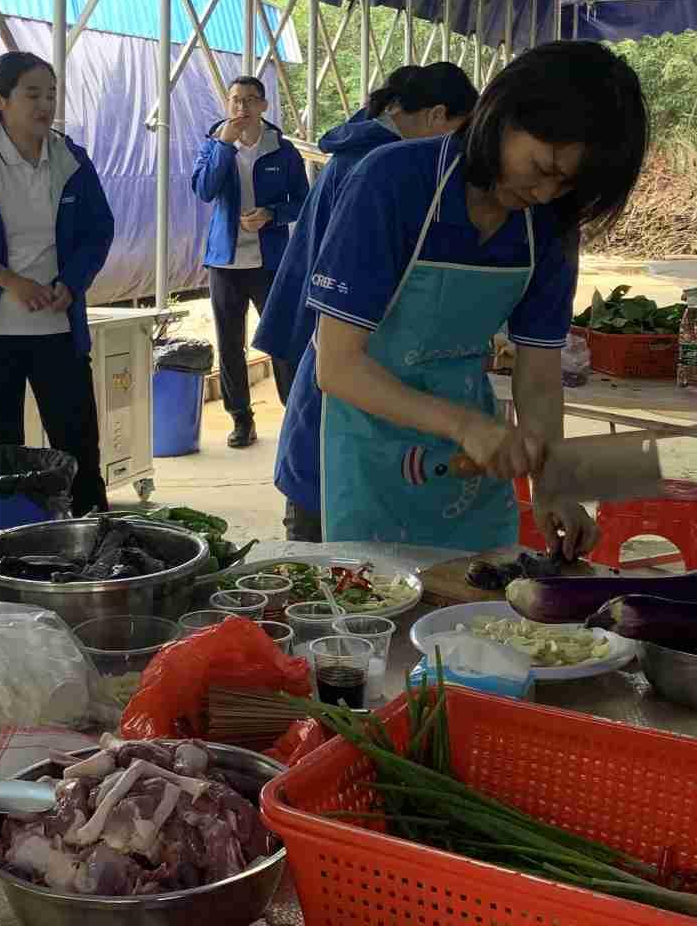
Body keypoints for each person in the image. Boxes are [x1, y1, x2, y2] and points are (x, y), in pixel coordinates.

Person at [273, 41, 647, 550]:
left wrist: (553, 483)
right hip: (345, 453)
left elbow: (539, 374)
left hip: (463, 466)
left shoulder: (549, 223)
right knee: (359, 597)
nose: (544, 195)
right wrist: (466, 425)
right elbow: (337, 367)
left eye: (566, 186)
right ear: (503, 115)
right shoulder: (392, 181)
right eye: (542, 169)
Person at [258, 61, 479, 541]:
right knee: (325, 456)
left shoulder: (359, 149)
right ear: (437, 116)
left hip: (317, 323)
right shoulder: (382, 166)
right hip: (335, 332)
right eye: (460, 135)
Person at [0, 51, 116, 515]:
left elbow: (98, 231)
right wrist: (9, 281)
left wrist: (72, 283)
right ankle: (10, 540)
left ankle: (93, 534)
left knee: (78, 446)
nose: (45, 104)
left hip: (57, 330)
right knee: (0, 452)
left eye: (51, 94)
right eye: (32, 94)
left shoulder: (71, 159)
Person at [190, 75, 310, 449]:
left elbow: (303, 201)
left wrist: (271, 214)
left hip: (269, 261)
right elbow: (204, 190)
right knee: (229, 343)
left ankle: (295, 414)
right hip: (224, 261)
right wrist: (224, 146)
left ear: (263, 106)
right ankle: (241, 419)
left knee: (281, 338)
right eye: (235, 100)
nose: (241, 107)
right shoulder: (214, 144)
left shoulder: (282, 150)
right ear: (228, 103)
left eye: (250, 100)